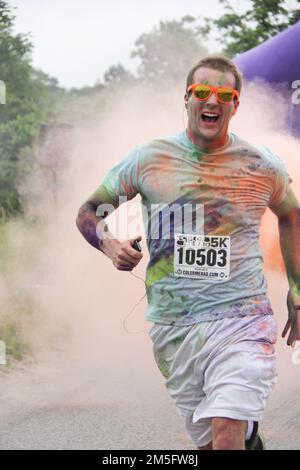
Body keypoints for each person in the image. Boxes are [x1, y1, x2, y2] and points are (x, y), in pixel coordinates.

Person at [76, 55, 300, 450]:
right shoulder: (148, 159)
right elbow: (89, 211)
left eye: (223, 94)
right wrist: (111, 245)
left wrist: (297, 287)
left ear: (235, 104)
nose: (211, 101)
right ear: (187, 97)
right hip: (174, 327)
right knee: (212, 443)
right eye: (202, 92)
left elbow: (291, 216)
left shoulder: (262, 165)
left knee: (227, 429)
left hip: (243, 320)